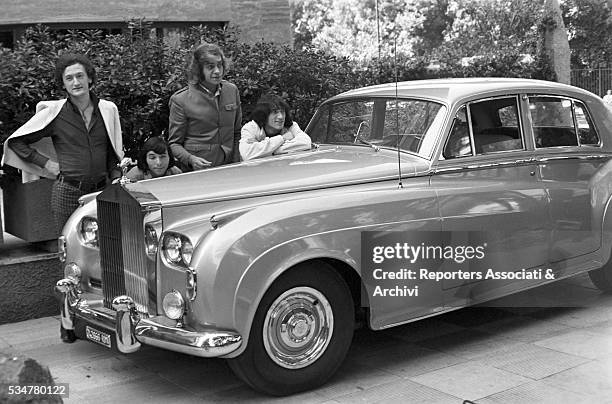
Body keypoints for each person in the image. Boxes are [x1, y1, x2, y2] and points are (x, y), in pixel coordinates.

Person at [2, 53, 123, 235]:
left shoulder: (107, 110)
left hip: (103, 191)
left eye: (80, 76)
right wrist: (46, 163)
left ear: (89, 78)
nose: (76, 82)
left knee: (107, 248)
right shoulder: (55, 114)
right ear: (63, 84)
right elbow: (16, 142)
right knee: (70, 250)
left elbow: (112, 152)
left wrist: (116, 178)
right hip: (67, 193)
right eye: (69, 78)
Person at [168, 42, 242, 172]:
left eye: (220, 65)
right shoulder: (180, 100)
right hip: (197, 172)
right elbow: (174, 144)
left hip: (230, 168)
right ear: (199, 70)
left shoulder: (232, 90)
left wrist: (236, 162)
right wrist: (190, 159)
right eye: (210, 67)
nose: (217, 71)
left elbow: (237, 132)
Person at [239, 94, 311, 160]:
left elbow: (306, 143)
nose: (281, 117)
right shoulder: (251, 128)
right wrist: (282, 138)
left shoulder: (291, 126)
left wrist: (267, 151)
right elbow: (247, 154)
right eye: (275, 112)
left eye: (282, 112)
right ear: (264, 115)